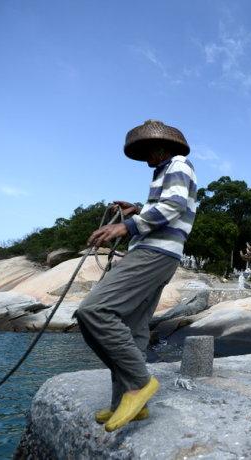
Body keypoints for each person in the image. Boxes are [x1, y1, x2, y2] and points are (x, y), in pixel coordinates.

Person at [74, 120, 197, 432]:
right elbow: (167, 207)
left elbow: (172, 206)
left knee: (95, 311)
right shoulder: (165, 172)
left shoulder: (179, 165)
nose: (145, 159)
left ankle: (139, 384)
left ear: (164, 147)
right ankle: (128, 404)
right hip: (163, 255)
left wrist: (125, 226)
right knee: (133, 329)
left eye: (148, 151)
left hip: (153, 253)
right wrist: (139, 209)